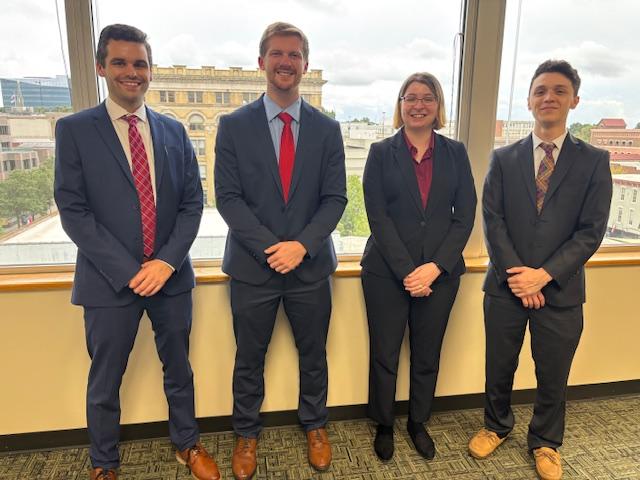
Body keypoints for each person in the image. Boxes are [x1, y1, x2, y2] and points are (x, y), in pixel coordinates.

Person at [54, 24, 219, 480]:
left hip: (171, 279)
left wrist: (165, 263)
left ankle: (187, 444)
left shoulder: (173, 131)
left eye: (140, 63)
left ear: (150, 70)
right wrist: (130, 271)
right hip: (109, 281)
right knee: (105, 379)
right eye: (122, 62)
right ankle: (103, 463)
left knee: (179, 370)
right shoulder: (74, 131)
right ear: (101, 67)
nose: (132, 72)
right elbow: (73, 210)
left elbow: (191, 204)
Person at [214, 21, 347, 480]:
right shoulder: (232, 126)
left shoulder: (328, 130)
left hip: (310, 269)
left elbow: (335, 199)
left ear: (305, 65)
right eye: (277, 54)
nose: (285, 62)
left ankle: (315, 425)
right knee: (249, 357)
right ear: (262, 62)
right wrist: (275, 249)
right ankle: (246, 434)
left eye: (294, 55)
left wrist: (302, 247)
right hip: (254, 269)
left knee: (315, 354)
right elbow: (227, 198)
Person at [468, 60, 612, 480]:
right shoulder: (504, 158)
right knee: (499, 363)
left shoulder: (594, 161)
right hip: (505, 288)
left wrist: (543, 275)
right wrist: (519, 274)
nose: (549, 97)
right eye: (541, 90)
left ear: (574, 100)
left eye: (559, 90)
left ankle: (546, 441)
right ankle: (495, 425)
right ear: (530, 100)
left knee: (554, 371)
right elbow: (492, 220)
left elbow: (591, 232)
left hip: (561, 290)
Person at [360, 72, 477, 461]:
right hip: (386, 273)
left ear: (438, 106)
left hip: (440, 276)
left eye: (427, 97)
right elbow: (377, 216)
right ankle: (384, 422)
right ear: (400, 105)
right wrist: (409, 271)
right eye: (410, 97)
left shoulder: (456, 153)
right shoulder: (380, 153)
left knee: (427, 353)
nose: (418, 104)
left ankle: (417, 422)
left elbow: (465, 216)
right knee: (385, 351)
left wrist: (436, 268)